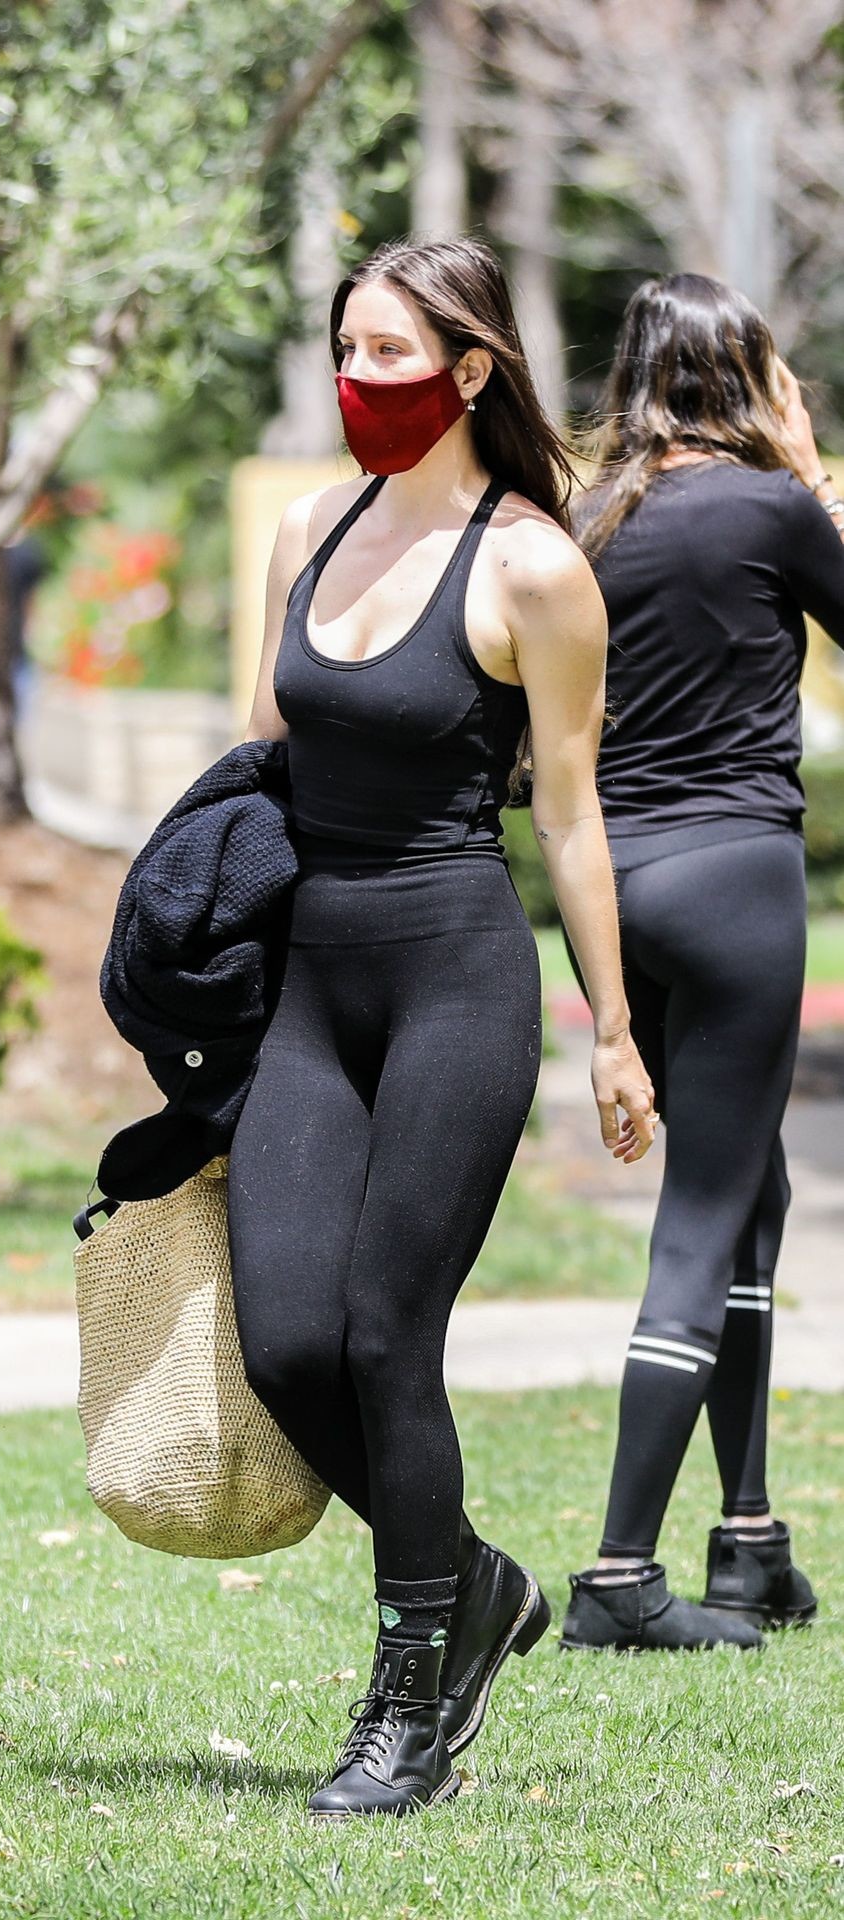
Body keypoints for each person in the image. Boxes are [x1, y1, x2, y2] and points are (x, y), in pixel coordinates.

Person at [228, 235, 655, 1819]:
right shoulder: (308, 526)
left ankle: (412, 1693)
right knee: (286, 1342)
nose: (363, 379)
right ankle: (468, 1577)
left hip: (454, 976)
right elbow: (257, 758)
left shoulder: (532, 567)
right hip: (306, 978)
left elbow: (571, 817)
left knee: (385, 1333)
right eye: (349, 349)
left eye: (394, 354)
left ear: (472, 373)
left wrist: (613, 1031)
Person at [557, 274, 843, 1652]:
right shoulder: (768, 506)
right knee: (702, 1217)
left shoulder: (587, 520)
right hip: (736, 884)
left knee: (752, 1193)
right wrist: (810, 476)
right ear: (748, 375)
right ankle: (620, 1572)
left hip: (621, 890)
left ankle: (749, 1540)